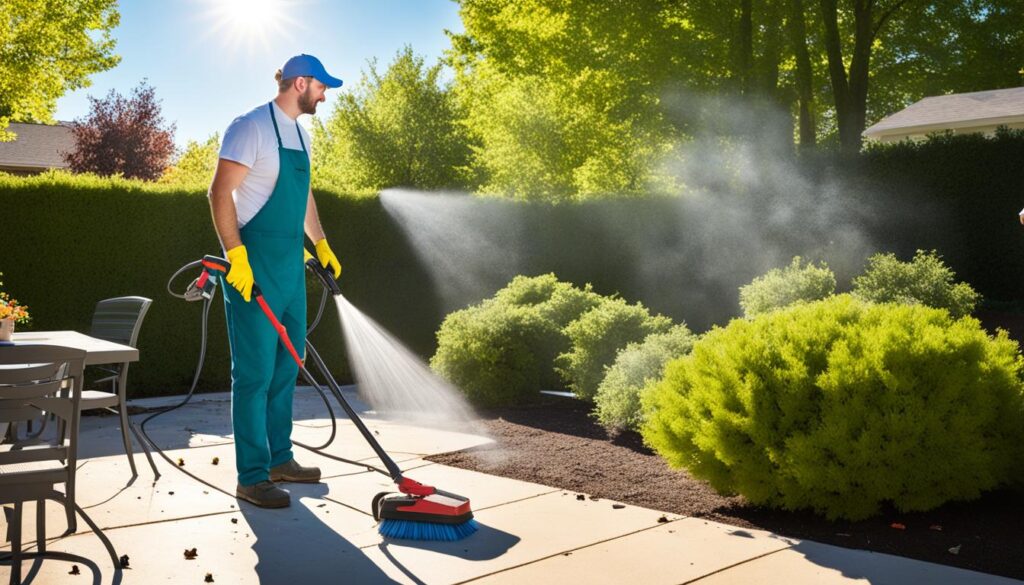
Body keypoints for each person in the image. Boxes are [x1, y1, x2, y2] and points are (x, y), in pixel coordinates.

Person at [208, 54, 343, 508]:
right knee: (254, 373)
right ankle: (251, 476)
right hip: (255, 262)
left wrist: (320, 244)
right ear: (300, 82)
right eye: (322, 86)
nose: (326, 94)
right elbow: (219, 191)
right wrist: (236, 256)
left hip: (289, 262)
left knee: (289, 363)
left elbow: (302, 196)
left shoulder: (302, 135)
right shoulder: (250, 127)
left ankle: (279, 458)